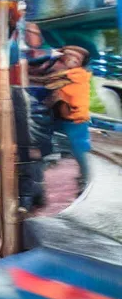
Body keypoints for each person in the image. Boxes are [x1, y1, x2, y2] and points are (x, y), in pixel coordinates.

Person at [31, 46, 92, 195]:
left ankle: (86, 180)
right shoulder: (68, 72)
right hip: (65, 116)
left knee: (79, 150)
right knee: (52, 138)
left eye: (76, 59)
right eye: (68, 56)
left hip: (75, 119)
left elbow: (46, 81)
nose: (71, 60)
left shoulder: (75, 74)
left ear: (80, 63)